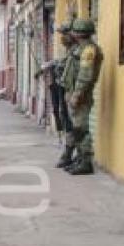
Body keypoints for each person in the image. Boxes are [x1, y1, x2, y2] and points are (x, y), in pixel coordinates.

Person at [62, 18, 103, 175]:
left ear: (79, 33)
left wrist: (77, 95)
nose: (72, 34)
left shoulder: (88, 51)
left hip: (81, 95)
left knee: (81, 129)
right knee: (77, 128)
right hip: (75, 92)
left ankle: (86, 162)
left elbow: (85, 76)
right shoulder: (81, 48)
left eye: (74, 31)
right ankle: (80, 159)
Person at [54, 21, 77, 168]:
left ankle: (73, 155)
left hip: (74, 92)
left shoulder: (78, 51)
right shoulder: (70, 51)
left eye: (65, 34)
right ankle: (69, 154)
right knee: (66, 121)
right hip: (66, 90)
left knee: (75, 124)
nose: (62, 38)